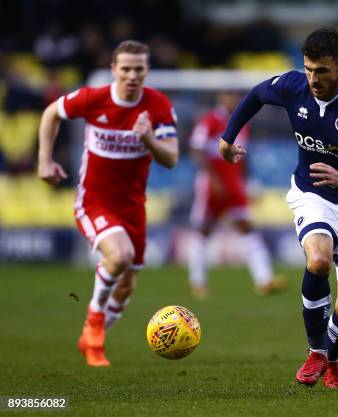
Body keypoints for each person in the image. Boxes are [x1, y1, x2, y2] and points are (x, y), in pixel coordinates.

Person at [218, 28, 338, 389]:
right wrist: (229, 138)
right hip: (312, 193)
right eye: (308, 69)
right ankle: (316, 352)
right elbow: (257, 94)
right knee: (318, 259)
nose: (313, 79)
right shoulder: (293, 86)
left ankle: (332, 360)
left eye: (322, 71)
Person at [37, 40, 179, 367]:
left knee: (127, 284)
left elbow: (171, 157)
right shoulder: (93, 98)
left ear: (147, 71)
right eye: (125, 68)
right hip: (94, 201)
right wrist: (44, 160)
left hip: (133, 207)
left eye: (138, 69)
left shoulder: (157, 105)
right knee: (121, 256)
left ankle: (91, 339)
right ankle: (94, 324)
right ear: (114, 69)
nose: (132, 75)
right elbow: (50, 114)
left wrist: (147, 138)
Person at [187, 91, 287, 298]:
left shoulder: (243, 125)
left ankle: (264, 280)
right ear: (221, 99)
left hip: (233, 183)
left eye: (236, 97)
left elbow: (243, 158)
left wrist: (249, 183)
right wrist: (212, 178)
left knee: (247, 227)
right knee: (203, 230)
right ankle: (198, 282)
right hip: (212, 185)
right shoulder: (210, 120)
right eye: (229, 96)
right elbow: (196, 150)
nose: (233, 100)